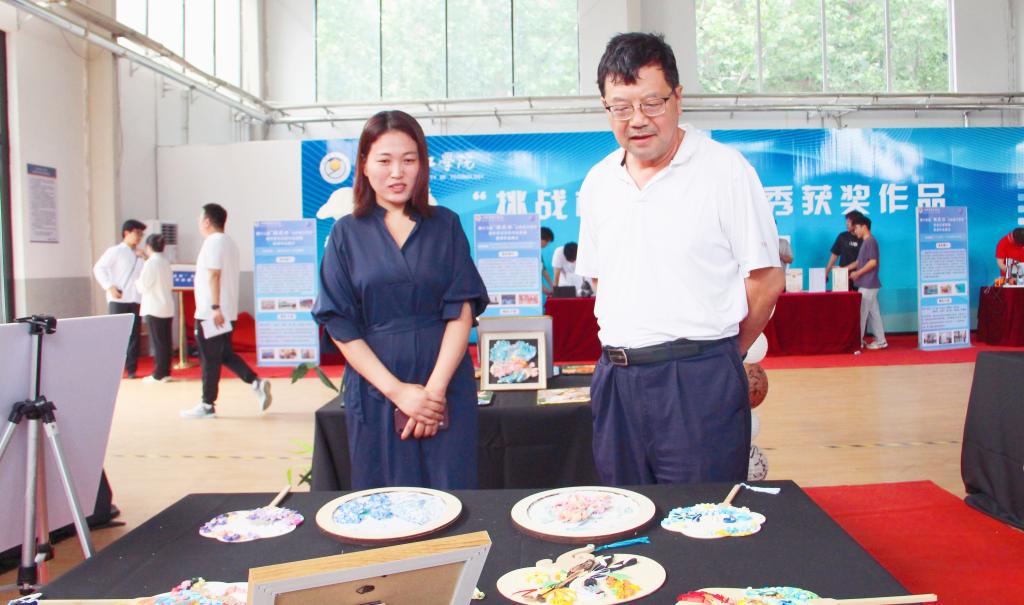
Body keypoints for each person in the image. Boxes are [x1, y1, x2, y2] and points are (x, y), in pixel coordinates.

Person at [575, 32, 783, 486]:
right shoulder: (598, 182)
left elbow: (766, 279)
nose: (637, 119)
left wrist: (723, 354)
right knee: (624, 512)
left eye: (652, 103)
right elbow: (601, 279)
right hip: (617, 380)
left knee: (699, 514)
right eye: (620, 107)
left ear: (678, 98)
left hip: (698, 380)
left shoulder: (724, 171)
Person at [312, 110, 489, 490]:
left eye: (409, 160)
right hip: (376, 389)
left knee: (452, 491)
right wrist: (399, 392)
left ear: (422, 164)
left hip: (444, 384)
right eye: (384, 161)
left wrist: (433, 394)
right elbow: (339, 323)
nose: (397, 173)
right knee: (383, 497)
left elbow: (461, 310)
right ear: (364, 164)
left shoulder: (446, 225)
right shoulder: (345, 234)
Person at [180, 203, 272, 419]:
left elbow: (214, 274)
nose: (198, 223)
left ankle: (207, 404)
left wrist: (214, 307)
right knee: (224, 354)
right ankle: (255, 382)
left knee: (208, 358)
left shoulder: (213, 242)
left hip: (211, 313)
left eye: (199, 219)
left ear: (207, 221)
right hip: (226, 312)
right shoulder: (229, 243)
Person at [93, 219, 147, 378]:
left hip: (135, 298)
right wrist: (109, 286)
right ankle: (114, 368)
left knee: (134, 335)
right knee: (117, 334)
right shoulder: (115, 251)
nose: (139, 237)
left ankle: (132, 369)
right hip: (118, 298)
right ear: (126, 233)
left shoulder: (140, 254)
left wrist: (145, 257)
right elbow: (99, 268)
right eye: (137, 233)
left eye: (141, 234)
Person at [137, 233, 175, 384]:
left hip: (154, 307)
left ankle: (158, 374)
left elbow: (143, 286)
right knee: (165, 341)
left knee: (158, 342)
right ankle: (165, 372)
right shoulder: (165, 262)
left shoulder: (150, 263)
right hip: (166, 305)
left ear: (148, 247)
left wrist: (136, 283)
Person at [849, 214, 887, 350]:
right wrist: (845, 268)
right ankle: (881, 340)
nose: (855, 231)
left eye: (856, 228)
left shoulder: (870, 241)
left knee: (862, 313)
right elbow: (860, 262)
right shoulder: (867, 242)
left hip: (868, 284)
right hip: (869, 284)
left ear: (864, 227)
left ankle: (858, 342)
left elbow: (872, 262)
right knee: (873, 313)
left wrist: (857, 273)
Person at [824, 211, 865, 290]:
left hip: (859, 274)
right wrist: (826, 272)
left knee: (860, 297)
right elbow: (834, 255)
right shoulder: (842, 236)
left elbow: (863, 260)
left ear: (856, 223)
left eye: (849, 222)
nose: (846, 224)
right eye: (846, 221)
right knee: (842, 297)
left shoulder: (865, 238)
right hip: (842, 275)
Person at [541, 226, 555, 294]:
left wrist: (552, 285)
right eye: (547, 241)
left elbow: (543, 270)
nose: (547, 244)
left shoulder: (539, 253)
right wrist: (542, 288)